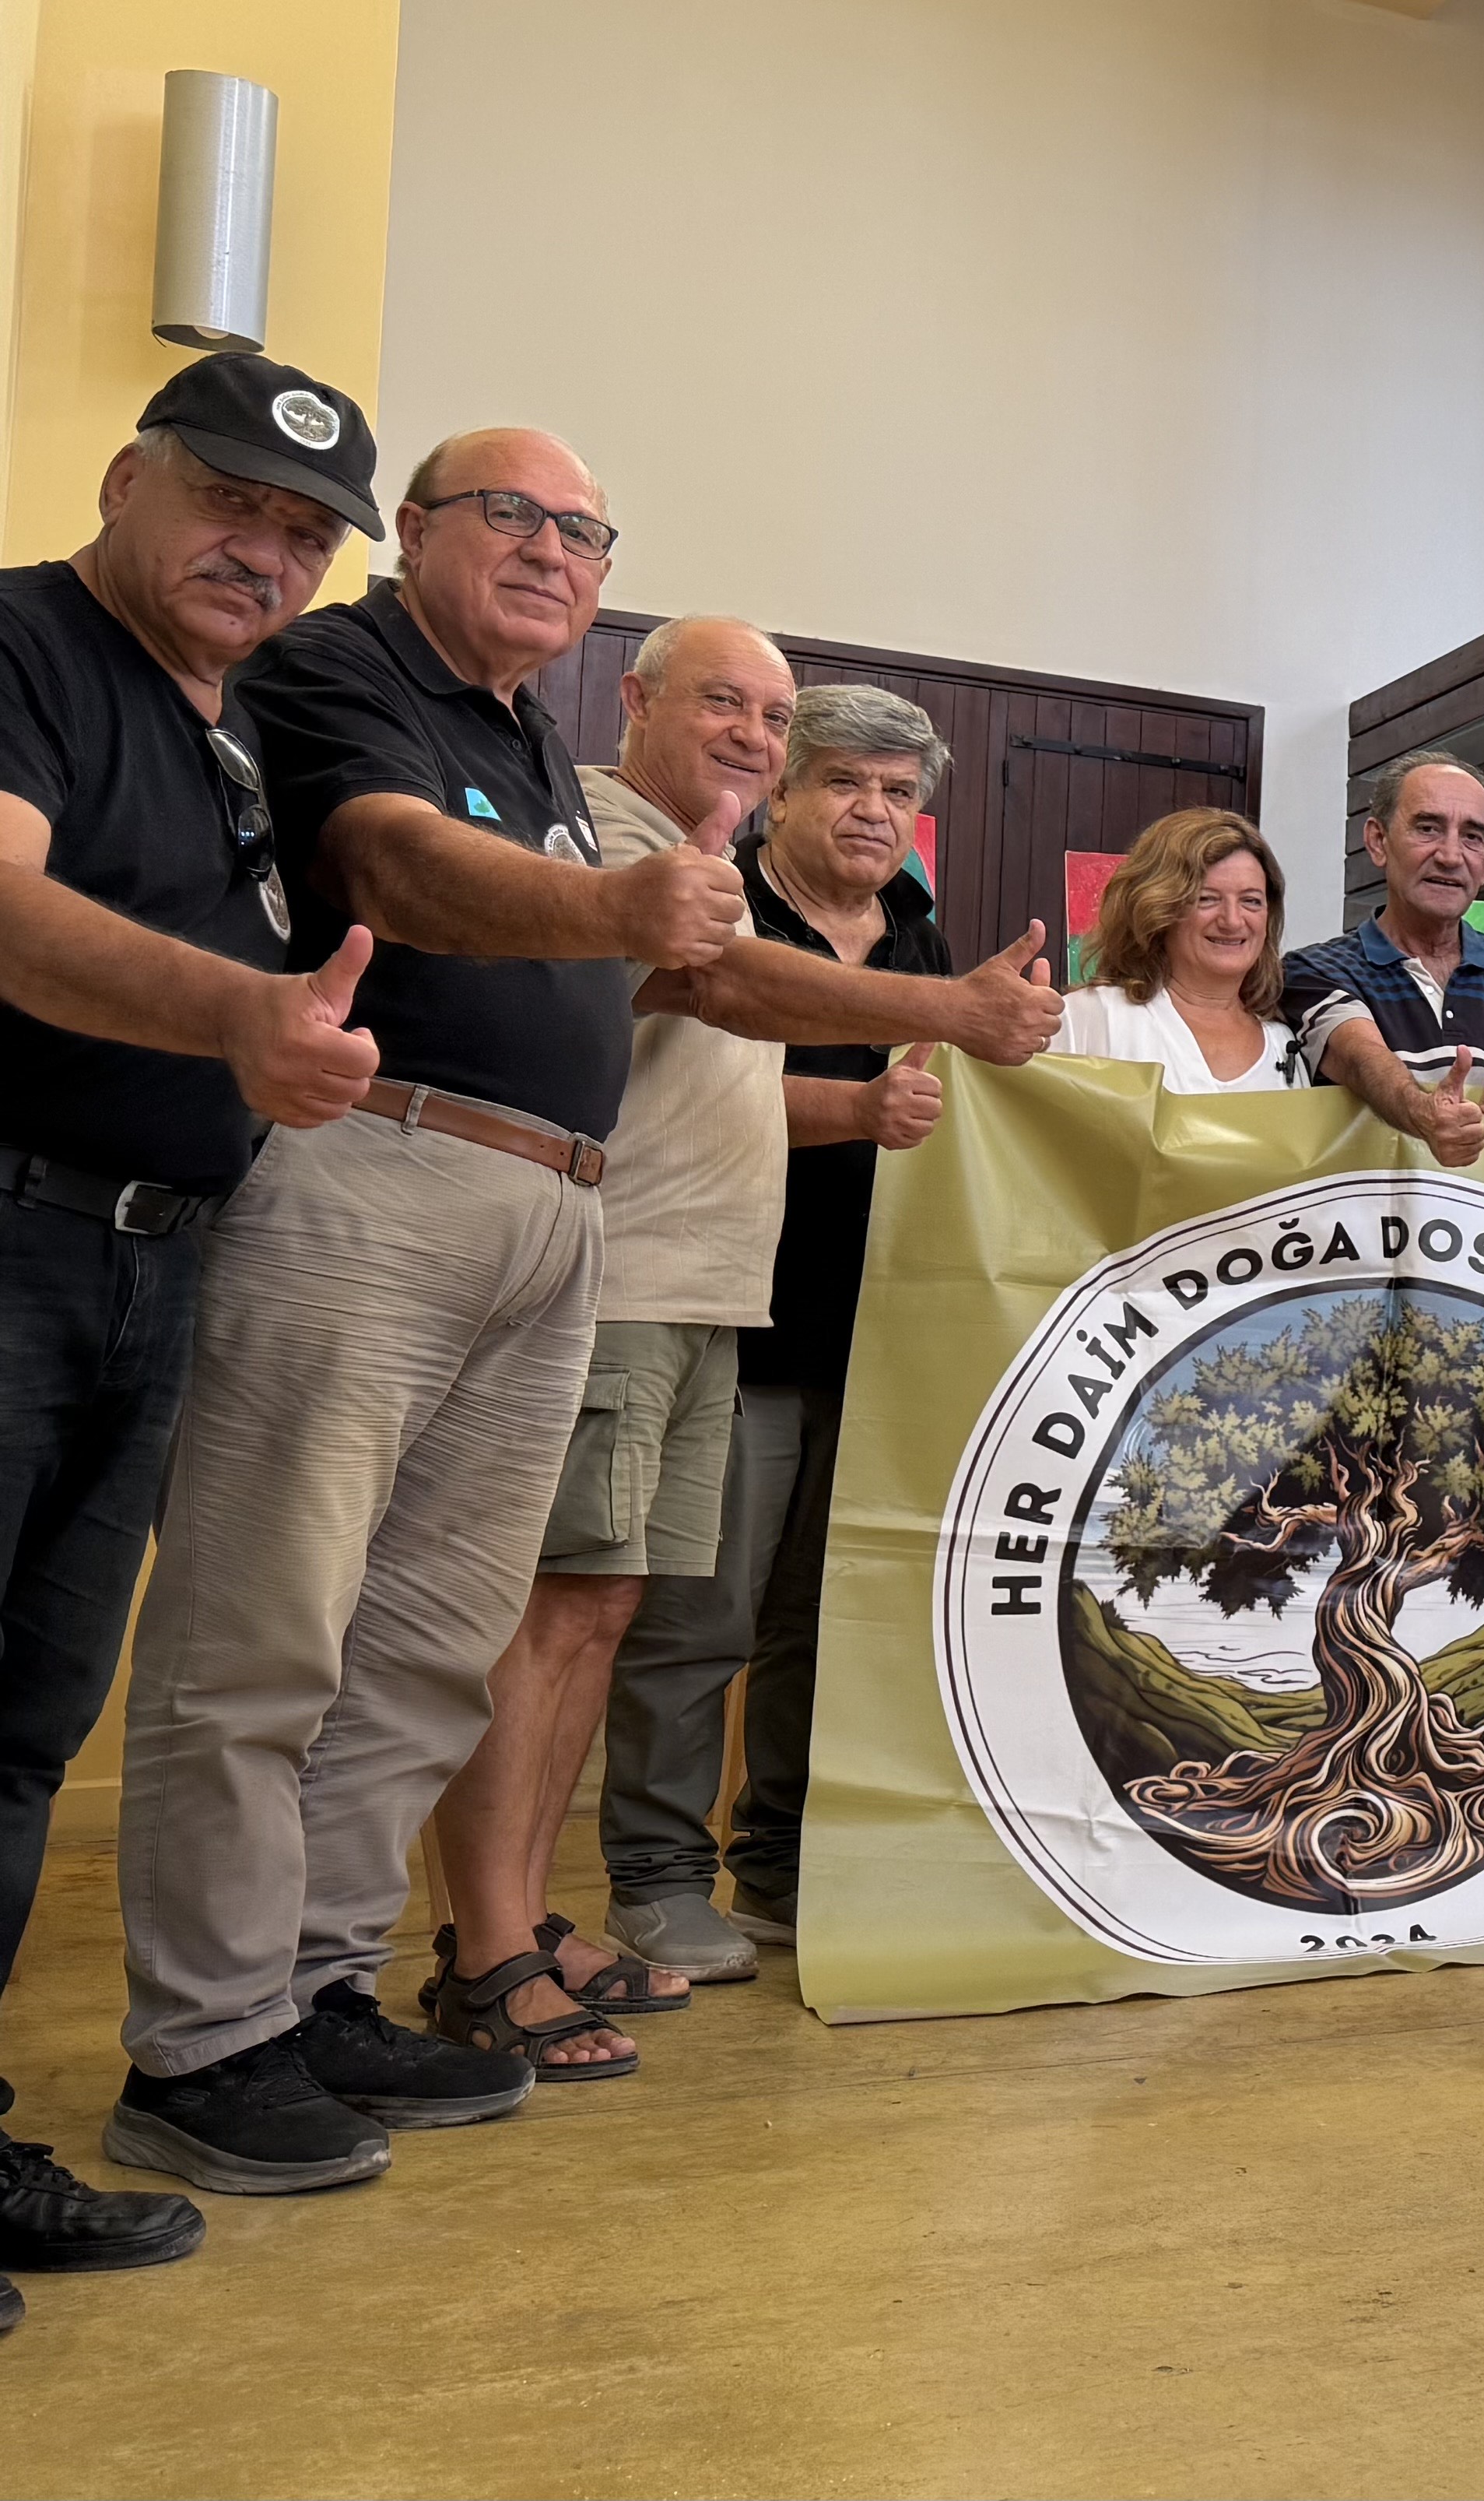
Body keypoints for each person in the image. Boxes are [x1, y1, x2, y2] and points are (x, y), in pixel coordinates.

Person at [107, 426, 752, 2194]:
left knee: (424, 1649)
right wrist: (616, 903)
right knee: (265, 1632)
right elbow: (387, 865)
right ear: (413, 530)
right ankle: (203, 2041)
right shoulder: (345, 664)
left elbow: (653, 959)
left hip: (550, 1203)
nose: (551, 550)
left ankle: (316, 1992)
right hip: (374, 1172)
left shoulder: (533, 731)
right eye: (511, 514)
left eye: (584, 532)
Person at [0, 355, 386, 2316]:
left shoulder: (227, 728)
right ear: (123, 479)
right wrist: (238, 1016)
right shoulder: (23, 642)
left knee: (20, 1733)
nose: (268, 552)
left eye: (306, 533)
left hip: (155, 1258)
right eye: (232, 502)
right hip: (16, 1230)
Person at [584, 678, 1059, 1983]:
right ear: (780, 791)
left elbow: (944, 1109)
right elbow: (693, 1095)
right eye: (844, 781)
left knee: (820, 1618)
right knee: (697, 1620)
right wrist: (860, 1110)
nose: (872, 811)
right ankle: (656, 1874)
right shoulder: (716, 901)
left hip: (879, 1334)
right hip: (723, 1315)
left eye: (898, 793)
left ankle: (782, 1863)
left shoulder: (922, 936)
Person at [1279, 751, 1484, 1164]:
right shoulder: (1315, 971)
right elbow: (1362, 1060)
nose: (1450, 856)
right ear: (1378, 841)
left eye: (1472, 836)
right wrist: (1423, 1114)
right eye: (1427, 828)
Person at [1052, 809, 1308, 1091]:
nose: (1233, 921)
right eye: (1207, 899)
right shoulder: (1093, 1017)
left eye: (1251, 901)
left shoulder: (1284, 1043)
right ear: (1158, 908)